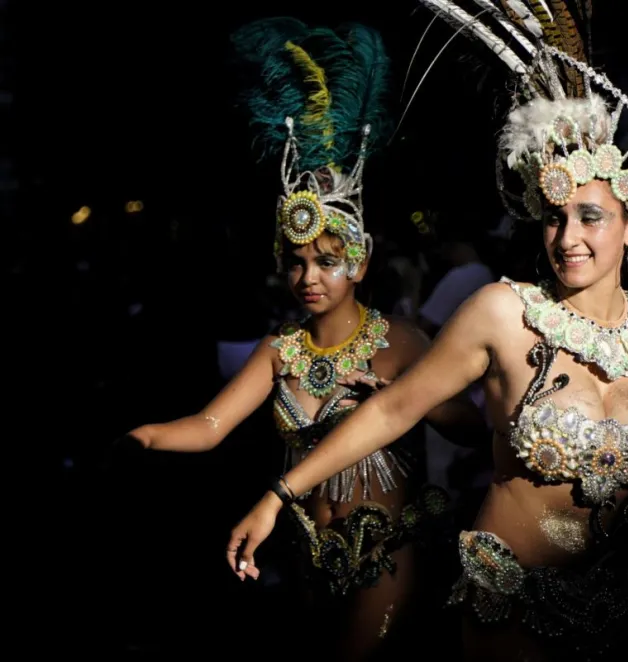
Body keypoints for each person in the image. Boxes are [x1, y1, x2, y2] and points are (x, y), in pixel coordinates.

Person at [225, 4, 628, 659]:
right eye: (553, 217)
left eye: (590, 217)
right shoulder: (501, 312)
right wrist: (278, 496)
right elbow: (394, 409)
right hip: (512, 609)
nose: (567, 237)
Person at [125, 17, 481, 659]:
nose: (308, 277)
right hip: (304, 555)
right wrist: (141, 436)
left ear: (359, 264)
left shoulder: (402, 342)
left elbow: (470, 429)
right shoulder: (278, 350)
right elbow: (208, 427)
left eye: (326, 261)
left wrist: (407, 397)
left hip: (390, 553)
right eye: (295, 262)